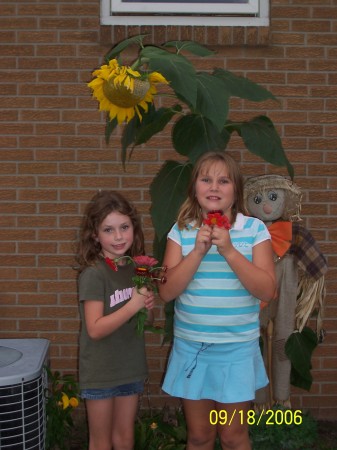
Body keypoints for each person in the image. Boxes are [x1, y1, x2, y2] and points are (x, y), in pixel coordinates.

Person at [159, 152, 276, 450]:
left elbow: (267, 290)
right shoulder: (182, 231)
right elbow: (166, 291)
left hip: (237, 349)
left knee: (233, 436)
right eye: (206, 179)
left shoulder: (254, 230)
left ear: (236, 190)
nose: (214, 187)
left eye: (223, 181)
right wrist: (197, 251)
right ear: (194, 188)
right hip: (193, 348)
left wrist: (230, 251)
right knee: (199, 436)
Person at [76, 190, 155, 450]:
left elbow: (142, 319)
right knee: (101, 442)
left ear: (134, 228)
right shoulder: (94, 273)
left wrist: (147, 307)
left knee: (124, 438)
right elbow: (95, 329)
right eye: (108, 230)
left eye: (124, 227)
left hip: (130, 366)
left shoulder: (136, 268)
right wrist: (133, 306)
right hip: (101, 371)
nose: (119, 236)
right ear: (95, 235)